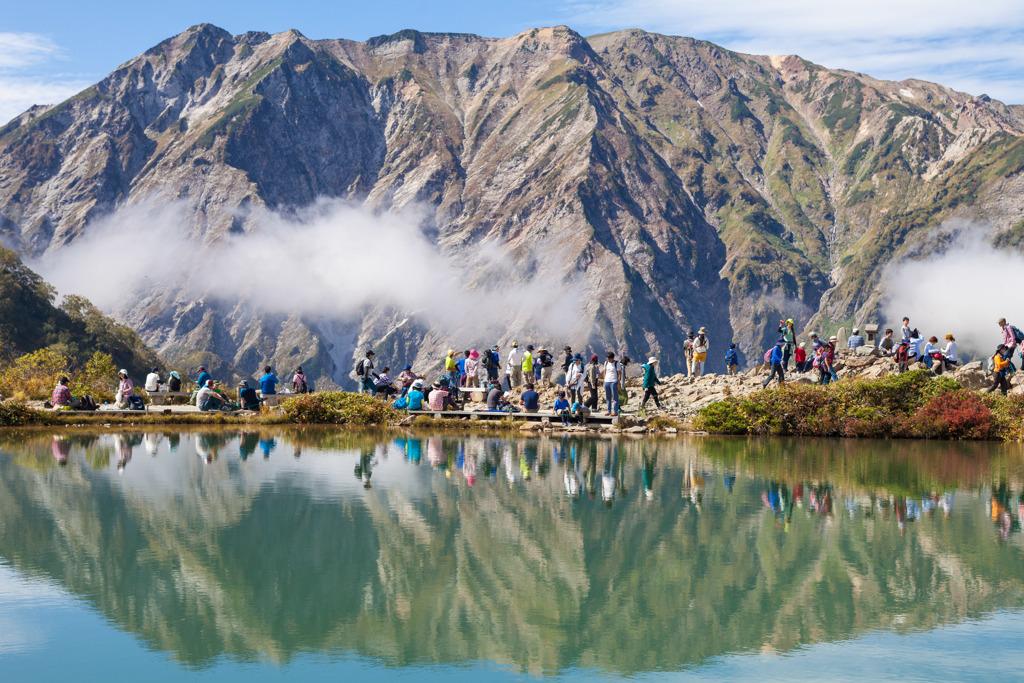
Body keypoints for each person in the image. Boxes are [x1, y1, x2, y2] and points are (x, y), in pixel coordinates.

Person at [601, 351, 623, 416]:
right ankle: (608, 410)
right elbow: (604, 372)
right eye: (607, 358)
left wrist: (618, 383)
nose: (608, 359)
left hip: (613, 381)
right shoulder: (606, 363)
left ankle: (615, 411)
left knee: (615, 397)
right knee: (608, 397)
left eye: (609, 358)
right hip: (607, 381)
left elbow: (619, 374)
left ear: (612, 358)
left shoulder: (617, 363)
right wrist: (604, 380)